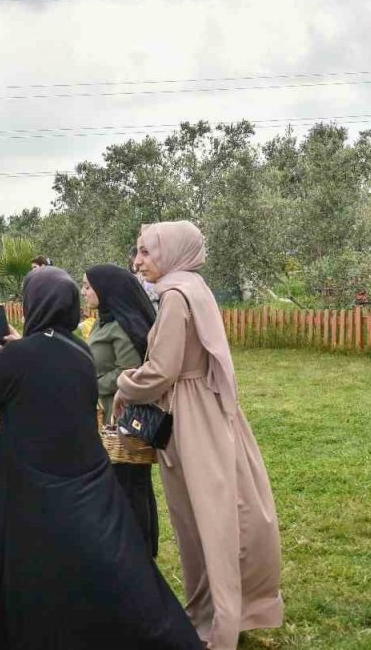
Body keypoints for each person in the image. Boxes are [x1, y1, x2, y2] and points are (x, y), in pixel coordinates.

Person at [0, 267, 201, 649]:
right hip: (85, 478)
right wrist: (22, 347)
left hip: (25, 480)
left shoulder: (20, 356)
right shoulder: (80, 352)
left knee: (11, 564)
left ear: (32, 305)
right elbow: (49, 368)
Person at [115, 222, 283, 649]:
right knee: (225, 510)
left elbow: (162, 371)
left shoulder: (175, 296)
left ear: (171, 251)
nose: (138, 262)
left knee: (202, 519)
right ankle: (231, 611)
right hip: (211, 409)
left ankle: (215, 621)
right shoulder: (195, 287)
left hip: (189, 416)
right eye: (138, 252)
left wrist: (124, 383)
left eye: (146, 252)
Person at [83, 263, 160, 557]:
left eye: (88, 286)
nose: (84, 292)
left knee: (131, 485)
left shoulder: (121, 328)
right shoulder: (103, 323)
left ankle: (140, 551)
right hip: (108, 417)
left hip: (126, 419)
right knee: (123, 484)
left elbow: (130, 372)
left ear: (106, 290)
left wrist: (92, 383)